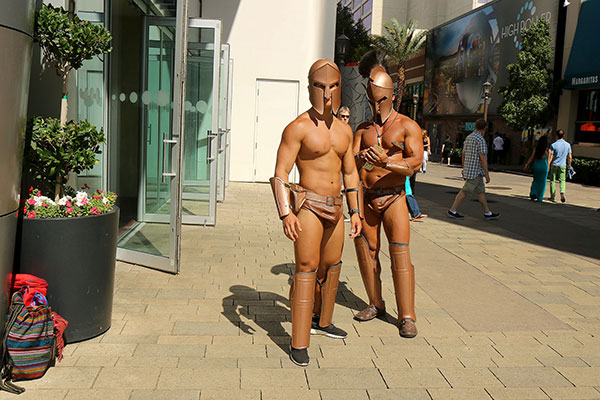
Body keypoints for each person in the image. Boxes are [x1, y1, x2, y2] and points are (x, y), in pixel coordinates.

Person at [269, 59, 363, 367]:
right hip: (308, 204)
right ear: (310, 86)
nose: (327, 94)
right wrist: (286, 213)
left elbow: (350, 174)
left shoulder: (345, 132)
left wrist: (356, 212)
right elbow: (281, 172)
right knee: (306, 267)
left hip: (336, 206)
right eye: (320, 86)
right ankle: (299, 341)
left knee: (332, 265)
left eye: (333, 86)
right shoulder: (297, 128)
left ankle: (323, 322)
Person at [352, 64, 423, 338]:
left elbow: (414, 163)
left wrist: (387, 161)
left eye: (380, 99)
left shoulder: (407, 126)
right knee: (366, 251)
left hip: (394, 198)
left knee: (400, 254)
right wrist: (354, 208)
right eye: (372, 99)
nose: (376, 105)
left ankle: (406, 315)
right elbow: (351, 169)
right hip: (368, 197)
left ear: (392, 95)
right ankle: (375, 302)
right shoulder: (362, 129)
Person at [447, 119, 500, 220]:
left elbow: (463, 154)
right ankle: (452, 210)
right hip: (475, 171)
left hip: (470, 170)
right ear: (484, 129)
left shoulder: (469, 137)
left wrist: (464, 168)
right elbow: (482, 158)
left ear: (475, 127)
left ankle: (487, 212)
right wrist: (487, 174)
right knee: (465, 191)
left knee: (480, 191)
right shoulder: (480, 140)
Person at [547, 129, 572, 203]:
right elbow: (570, 157)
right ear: (563, 135)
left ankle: (552, 196)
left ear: (556, 136)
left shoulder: (553, 145)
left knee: (552, 180)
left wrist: (548, 165)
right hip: (563, 165)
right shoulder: (568, 145)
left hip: (554, 164)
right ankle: (562, 191)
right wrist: (569, 165)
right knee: (562, 180)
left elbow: (550, 156)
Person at [523, 135, 549, 203]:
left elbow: (532, 157)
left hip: (537, 166)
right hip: (544, 166)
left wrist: (527, 164)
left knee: (535, 180)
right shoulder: (547, 150)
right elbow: (549, 159)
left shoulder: (536, 148)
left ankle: (533, 193)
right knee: (542, 183)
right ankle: (540, 197)